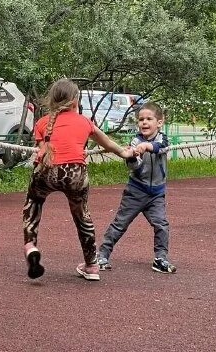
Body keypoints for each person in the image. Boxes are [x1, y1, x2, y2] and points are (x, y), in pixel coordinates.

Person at [22, 78, 130, 281]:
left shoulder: (43, 122)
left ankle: (30, 246)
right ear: (75, 101)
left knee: (33, 204)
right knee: (82, 216)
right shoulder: (84, 121)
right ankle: (91, 266)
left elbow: (43, 150)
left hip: (46, 171)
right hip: (75, 173)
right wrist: (125, 153)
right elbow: (107, 143)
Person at [97, 102, 176, 274]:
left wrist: (147, 147)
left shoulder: (162, 138)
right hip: (136, 191)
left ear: (159, 122)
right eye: (141, 120)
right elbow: (134, 168)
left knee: (161, 224)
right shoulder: (135, 141)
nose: (144, 123)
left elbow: (160, 147)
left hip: (156, 194)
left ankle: (160, 258)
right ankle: (102, 254)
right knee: (120, 223)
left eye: (149, 119)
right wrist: (132, 156)